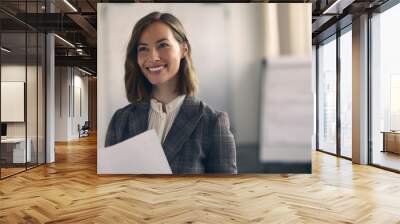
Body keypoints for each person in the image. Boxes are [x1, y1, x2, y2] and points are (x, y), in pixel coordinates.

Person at [105, 11, 237, 174]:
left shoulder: (213, 123)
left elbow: (224, 196)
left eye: (162, 45)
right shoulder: (120, 120)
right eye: (143, 49)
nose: (152, 57)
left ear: (184, 50)